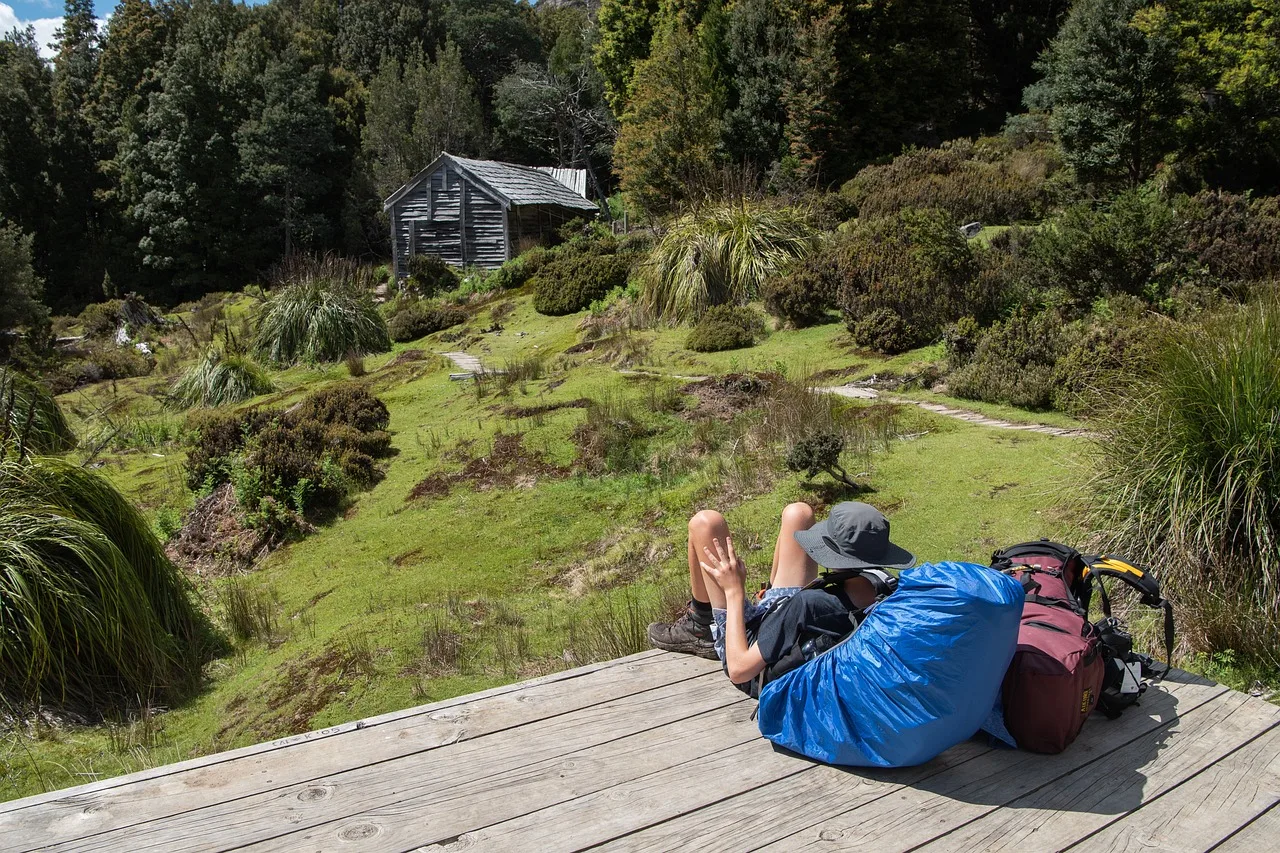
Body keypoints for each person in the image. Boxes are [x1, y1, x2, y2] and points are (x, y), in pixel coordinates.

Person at [647, 501, 916, 691]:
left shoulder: (810, 605)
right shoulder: (888, 588)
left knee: (705, 523)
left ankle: (699, 622)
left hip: (752, 652)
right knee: (799, 513)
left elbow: (740, 670)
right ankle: (756, 599)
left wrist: (734, 591)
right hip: (790, 624)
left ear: (831, 554)